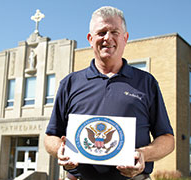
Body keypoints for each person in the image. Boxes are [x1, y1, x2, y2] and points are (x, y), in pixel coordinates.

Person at [44, 6, 175, 180]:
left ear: (125, 38)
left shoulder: (146, 82)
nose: (108, 38)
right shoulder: (70, 83)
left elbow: (167, 139)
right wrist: (60, 149)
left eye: (115, 32)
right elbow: (50, 136)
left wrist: (143, 154)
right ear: (90, 39)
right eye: (101, 32)